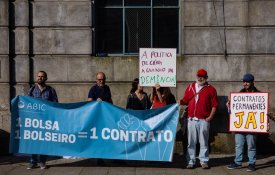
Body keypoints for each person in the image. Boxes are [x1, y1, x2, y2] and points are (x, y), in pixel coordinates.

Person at [178, 69, 218, 169]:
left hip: (204, 120)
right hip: (191, 119)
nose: (200, 78)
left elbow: (215, 105)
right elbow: (186, 100)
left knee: (204, 141)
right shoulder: (190, 87)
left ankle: (204, 161)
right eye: (198, 76)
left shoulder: (211, 89)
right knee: (191, 142)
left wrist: (210, 117)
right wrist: (181, 102)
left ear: (206, 78)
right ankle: (190, 161)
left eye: (202, 76)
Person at [227, 73, 259, 172]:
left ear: (252, 82)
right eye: (244, 82)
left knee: (251, 145)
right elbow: (233, 110)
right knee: (239, 144)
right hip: (240, 125)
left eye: (247, 82)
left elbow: (262, 109)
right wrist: (229, 105)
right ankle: (238, 162)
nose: (245, 84)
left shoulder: (259, 95)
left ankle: (251, 163)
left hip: (251, 125)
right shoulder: (239, 94)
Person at [27, 71, 58, 169]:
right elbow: (27, 103)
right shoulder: (31, 90)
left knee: (44, 141)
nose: (40, 78)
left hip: (46, 121)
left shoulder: (50, 90)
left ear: (46, 78)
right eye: (38, 76)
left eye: (42, 76)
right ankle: (33, 161)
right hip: (34, 121)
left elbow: (55, 104)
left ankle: (42, 162)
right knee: (34, 141)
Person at [87, 72, 112, 166]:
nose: (102, 81)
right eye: (100, 79)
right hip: (97, 117)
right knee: (99, 136)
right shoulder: (93, 89)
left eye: (103, 79)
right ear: (96, 80)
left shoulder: (107, 88)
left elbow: (110, 100)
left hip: (106, 116)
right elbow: (89, 102)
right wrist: (95, 102)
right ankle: (99, 157)